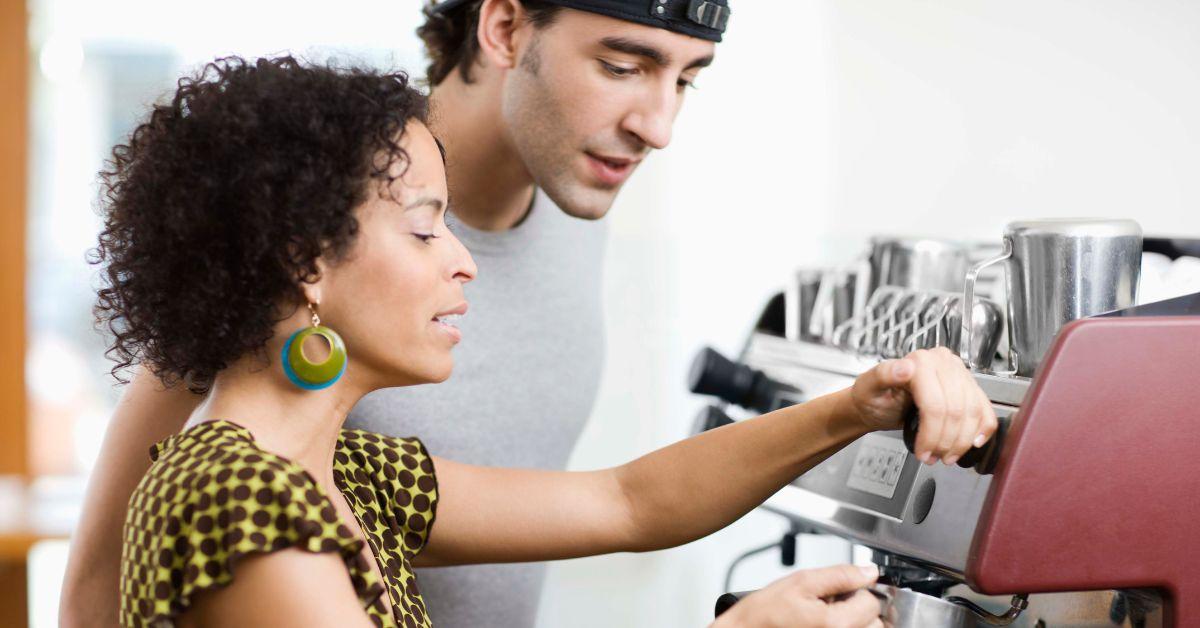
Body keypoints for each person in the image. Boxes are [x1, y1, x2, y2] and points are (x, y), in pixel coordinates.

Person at [91, 57, 994, 627]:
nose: (465, 263)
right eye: (423, 229)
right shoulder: (234, 499)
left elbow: (629, 502)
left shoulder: (341, 475)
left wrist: (852, 406)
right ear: (304, 258)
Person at [62, 1, 732, 625]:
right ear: (503, 28)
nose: (659, 126)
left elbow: (625, 502)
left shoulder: (581, 201)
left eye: (687, 80)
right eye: (621, 67)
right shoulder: (290, 215)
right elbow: (104, 581)